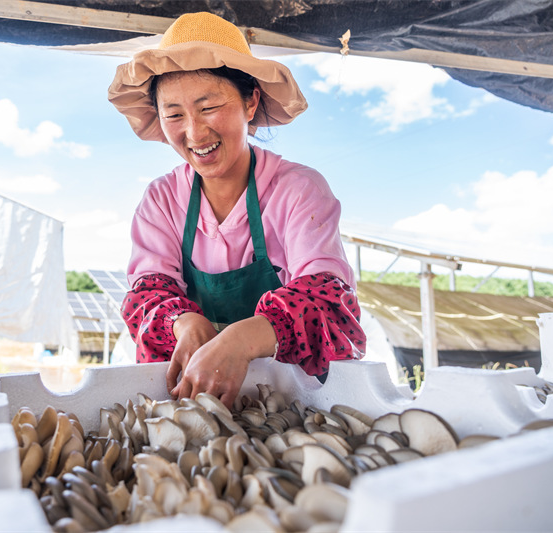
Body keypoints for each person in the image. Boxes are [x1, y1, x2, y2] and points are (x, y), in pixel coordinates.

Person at [108, 12, 365, 408]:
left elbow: (329, 305)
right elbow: (147, 298)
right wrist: (185, 322)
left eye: (208, 107)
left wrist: (242, 340)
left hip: (291, 400)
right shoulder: (162, 200)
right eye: (174, 114)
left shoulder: (297, 190)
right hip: (197, 397)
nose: (194, 133)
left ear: (250, 102)